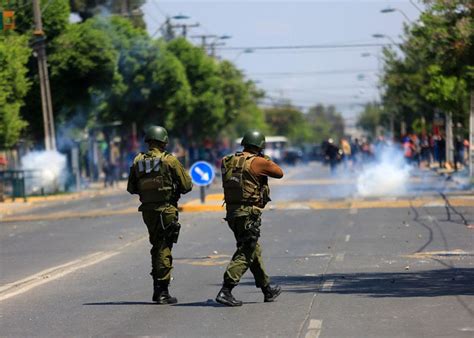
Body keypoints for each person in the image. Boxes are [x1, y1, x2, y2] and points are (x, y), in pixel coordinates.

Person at [216, 131, 283, 307]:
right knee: (246, 251)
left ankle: (267, 289)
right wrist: (265, 159)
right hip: (248, 213)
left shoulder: (227, 160)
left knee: (254, 250)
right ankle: (226, 290)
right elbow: (279, 172)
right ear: (259, 146)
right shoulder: (258, 162)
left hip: (232, 212)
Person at [127, 125, 192, 304]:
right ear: (163, 141)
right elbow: (187, 185)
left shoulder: (137, 160)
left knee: (156, 246)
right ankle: (162, 291)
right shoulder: (169, 160)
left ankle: (158, 288)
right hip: (166, 209)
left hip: (147, 211)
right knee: (164, 247)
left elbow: (131, 188)